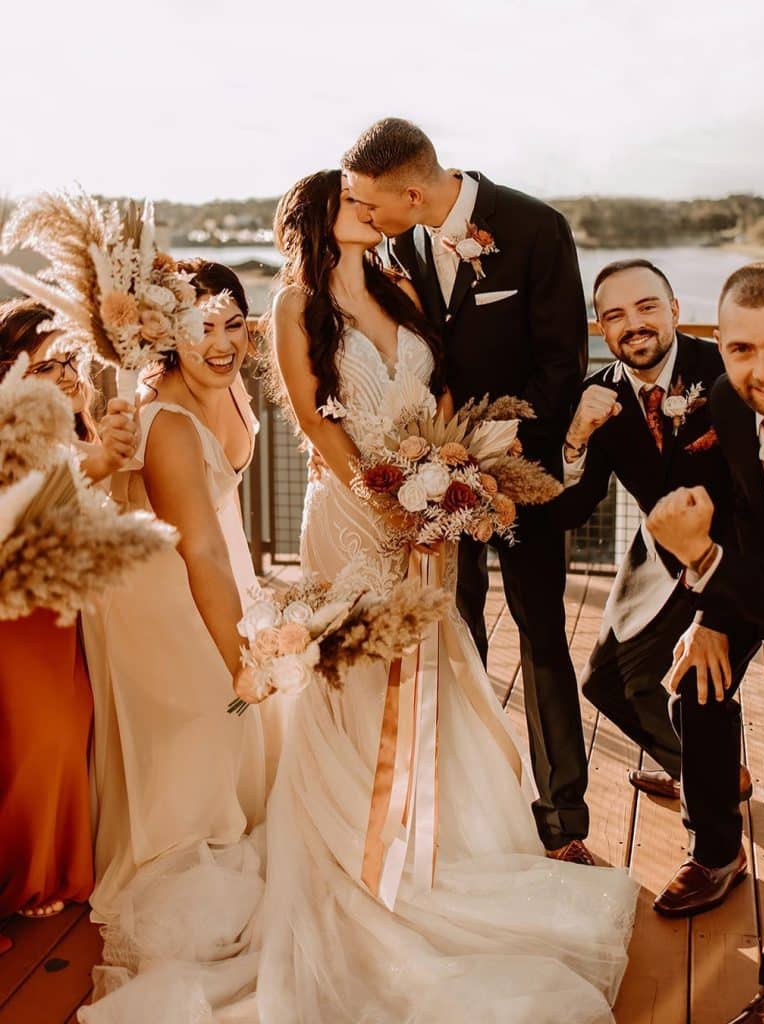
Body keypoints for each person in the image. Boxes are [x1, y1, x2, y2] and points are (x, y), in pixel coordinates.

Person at [242, 169, 636, 1024]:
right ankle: (365, 841)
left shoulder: (398, 282)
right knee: (363, 665)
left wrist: (449, 474)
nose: (372, 213)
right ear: (320, 217)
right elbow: (313, 420)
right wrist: (385, 496)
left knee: (436, 655)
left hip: (431, 507)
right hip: (353, 510)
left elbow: (442, 385)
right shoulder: (292, 305)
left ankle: (450, 837)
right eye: (355, 204)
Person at [342, 118, 593, 863]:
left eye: (370, 203)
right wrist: (436, 464)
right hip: (432, 485)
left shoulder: (534, 228)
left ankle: (562, 820)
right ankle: (476, 805)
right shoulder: (402, 244)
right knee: (458, 632)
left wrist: (494, 454)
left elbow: (562, 360)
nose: (366, 216)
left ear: (412, 192)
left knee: (542, 634)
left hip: (519, 474)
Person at [551, 260, 759, 915]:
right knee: (604, 681)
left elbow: (762, 505)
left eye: (645, 307)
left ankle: (717, 853)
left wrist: (716, 617)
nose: (632, 325)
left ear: (672, 307)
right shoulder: (599, 393)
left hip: (740, 553)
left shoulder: (727, 372)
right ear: (600, 328)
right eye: (613, 315)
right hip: (659, 553)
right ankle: (711, 774)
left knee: (697, 688)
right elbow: (570, 511)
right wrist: (575, 438)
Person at [646, 262, 764, 1022]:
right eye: (740, 349)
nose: (763, 369)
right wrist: (716, 615)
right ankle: (716, 850)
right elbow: (750, 515)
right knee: (695, 678)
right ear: (719, 349)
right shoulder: (724, 398)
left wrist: (704, 563)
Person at [82, 262, 268, 920]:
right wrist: (245, 658)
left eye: (234, 325)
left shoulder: (232, 387)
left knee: (252, 734)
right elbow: (199, 547)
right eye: (199, 329)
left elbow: (222, 535)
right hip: (165, 601)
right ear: (168, 338)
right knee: (214, 727)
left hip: (214, 574)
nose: (220, 344)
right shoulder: (165, 423)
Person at [0, 299, 136, 946]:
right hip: (13, 609)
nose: (63, 375)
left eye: (70, 361)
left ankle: (50, 872)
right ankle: (14, 880)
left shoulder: (62, 421)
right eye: (48, 363)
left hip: (60, 606)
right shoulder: (8, 429)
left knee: (70, 725)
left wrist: (85, 413)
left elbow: (83, 479)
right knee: (34, 741)